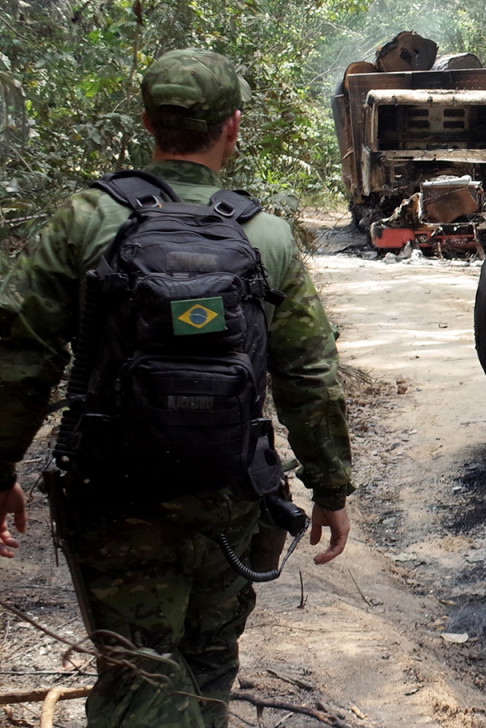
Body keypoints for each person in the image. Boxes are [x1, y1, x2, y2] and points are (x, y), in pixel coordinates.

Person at [0, 49, 353, 727]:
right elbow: (309, 375)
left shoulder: (85, 220)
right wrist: (330, 488)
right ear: (233, 126)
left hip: (113, 494)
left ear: (146, 122)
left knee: (138, 665)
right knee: (209, 656)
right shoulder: (265, 233)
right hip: (231, 492)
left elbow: (22, 354)